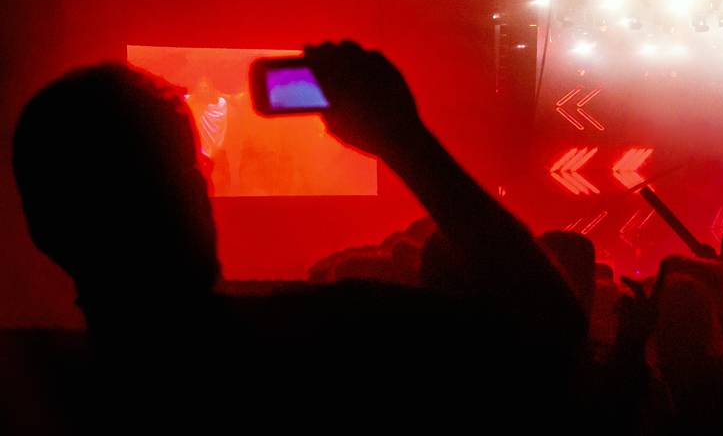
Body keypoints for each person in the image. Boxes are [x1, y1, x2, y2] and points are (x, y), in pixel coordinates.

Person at [11, 42, 585, 428]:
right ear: (193, 193)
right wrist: (404, 138)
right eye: (194, 169)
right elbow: (546, 330)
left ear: (41, 228)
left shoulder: (27, 382)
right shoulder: (328, 340)